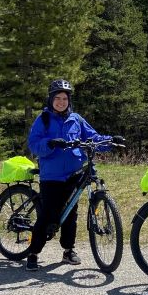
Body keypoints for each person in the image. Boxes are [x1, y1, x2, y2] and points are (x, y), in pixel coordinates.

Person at [25, 79, 119, 272]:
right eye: (57, 98)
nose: (61, 102)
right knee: (49, 214)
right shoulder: (43, 119)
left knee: (71, 214)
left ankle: (68, 250)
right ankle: (33, 253)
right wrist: (50, 143)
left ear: (69, 100)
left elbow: (92, 137)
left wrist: (111, 140)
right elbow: (34, 144)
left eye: (64, 98)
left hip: (74, 173)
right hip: (52, 175)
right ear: (51, 99)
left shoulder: (76, 119)